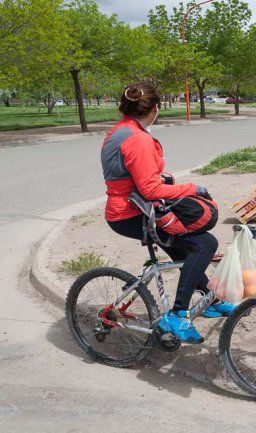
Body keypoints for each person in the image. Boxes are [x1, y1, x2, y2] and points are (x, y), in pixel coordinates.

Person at [101, 81, 235, 345]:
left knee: (184, 250)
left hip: (127, 207)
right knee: (205, 243)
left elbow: (137, 177)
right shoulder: (138, 139)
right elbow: (150, 190)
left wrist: (165, 180)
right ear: (155, 108)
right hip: (129, 214)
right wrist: (192, 188)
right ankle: (177, 315)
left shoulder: (122, 130)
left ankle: (210, 301)